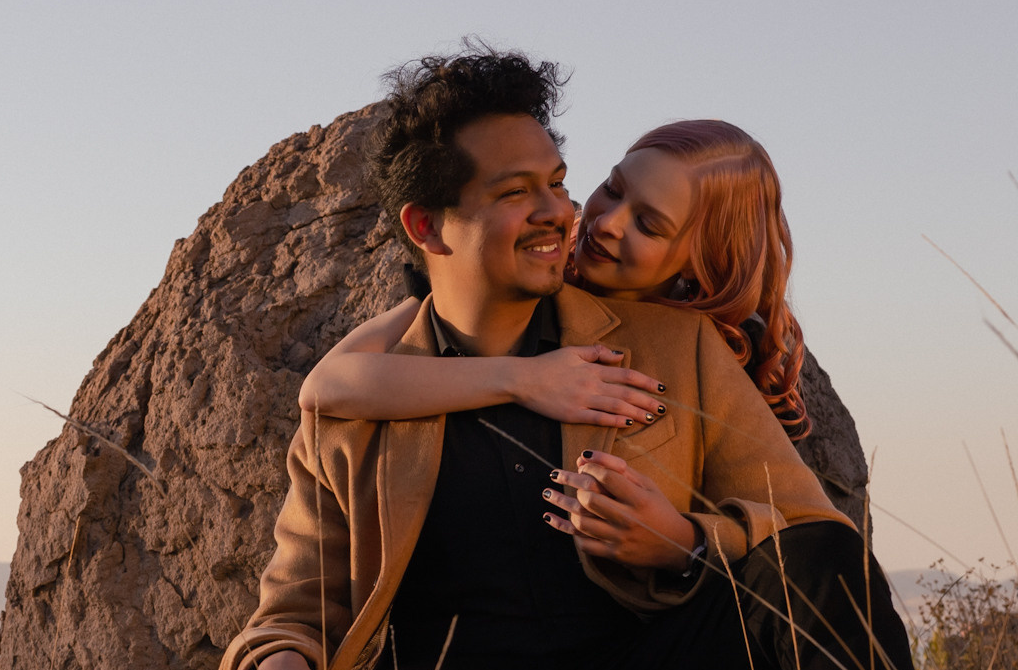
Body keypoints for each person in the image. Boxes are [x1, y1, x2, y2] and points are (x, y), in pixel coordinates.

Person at [209, 45, 964, 670]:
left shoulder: (668, 344)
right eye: (515, 191)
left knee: (821, 560)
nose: (561, 212)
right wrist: (277, 659)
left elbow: (804, 526)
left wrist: (687, 541)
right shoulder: (365, 396)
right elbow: (297, 589)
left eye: (560, 182)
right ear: (426, 225)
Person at [295, 118, 854, 511]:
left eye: (648, 225)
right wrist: (525, 378)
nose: (606, 222)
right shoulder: (524, 285)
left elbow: (792, 524)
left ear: (700, 260)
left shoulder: (703, 352)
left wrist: (683, 542)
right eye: (613, 189)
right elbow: (329, 385)